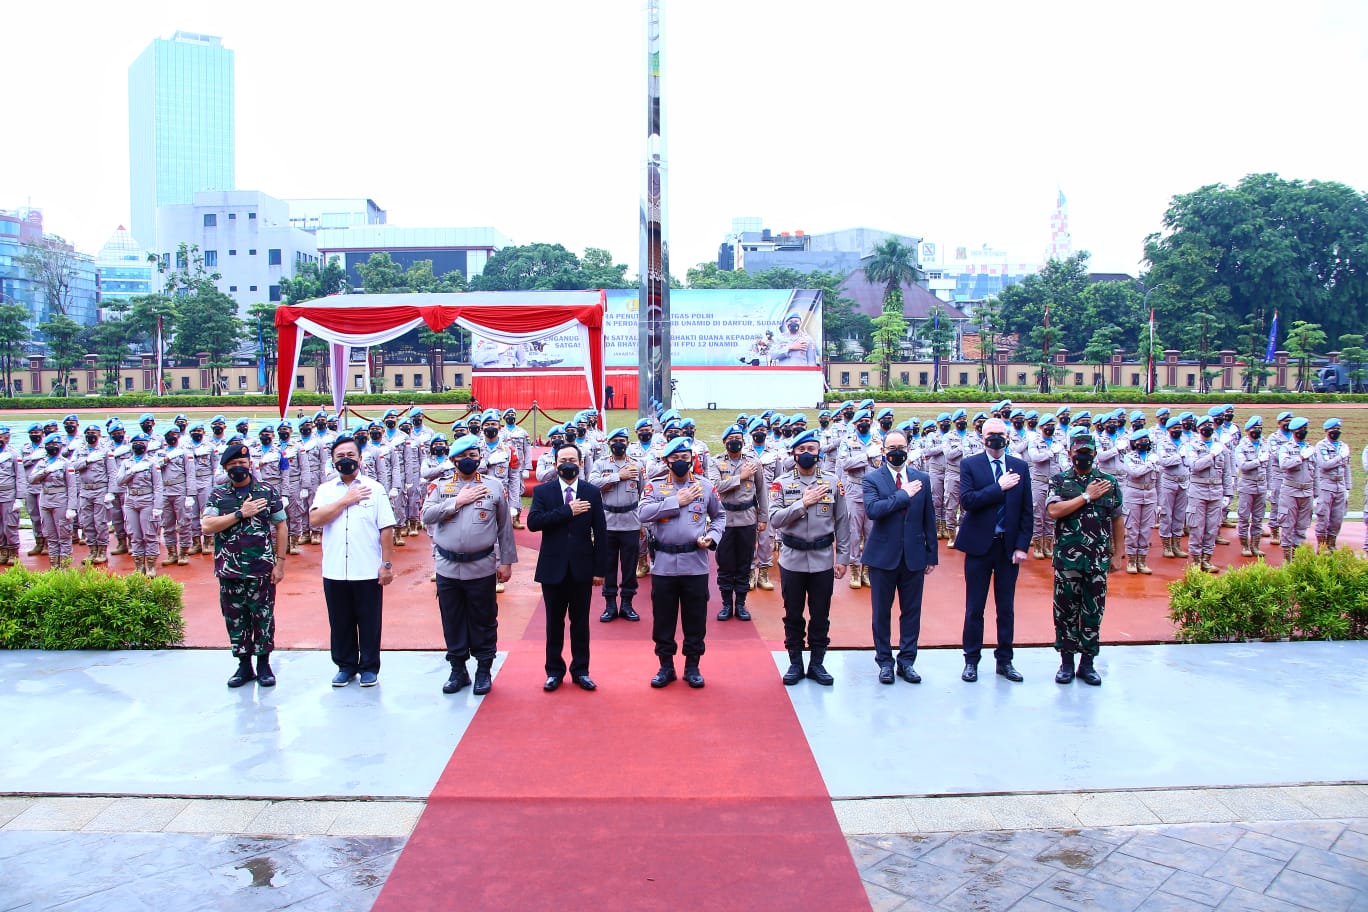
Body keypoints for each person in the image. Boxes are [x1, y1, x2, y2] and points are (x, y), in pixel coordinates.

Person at [424, 434, 516, 696]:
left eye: (473, 456)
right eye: (462, 457)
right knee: (452, 619)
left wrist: (506, 561)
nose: (468, 460)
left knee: (484, 619)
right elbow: (426, 516)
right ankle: (458, 669)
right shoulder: (439, 487)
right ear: (453, 460)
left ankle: (483, 669)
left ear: (480, 458)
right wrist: (457, 502)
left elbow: (504, 528)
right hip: (448, 567)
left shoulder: (494, 486)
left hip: (482, 566)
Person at [309, 436, 397, 688]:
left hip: (367, 568)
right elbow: (315, 520)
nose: (345, 460)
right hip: (335, 569)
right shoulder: (325, 491)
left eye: (350, 455)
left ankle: (369, 667)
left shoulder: (375, 488)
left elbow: (386, 528)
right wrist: (345, 500)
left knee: (369, 621)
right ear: (333, 461)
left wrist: (387, 564)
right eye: (340, 456)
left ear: (360, 458)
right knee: (340, 621)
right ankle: (345, 666)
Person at [639, 436, 726, 689]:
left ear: (692, 460)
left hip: (695, 563)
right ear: (666, 461)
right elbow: (643, 514)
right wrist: (678, 501)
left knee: (695, 617)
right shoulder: (654, 487)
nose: (680, 462)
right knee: (663, 618)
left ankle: (692, 665)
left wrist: (712, 537)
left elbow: (720, 516)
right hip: (664, 564)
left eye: (685, 458)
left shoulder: (706, 486)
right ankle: (665, 666)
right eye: (675, 459)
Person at [200, 442, 288, 688]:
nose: (239, 468)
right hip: (230, 570)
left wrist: (280, 563)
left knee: (263, 616)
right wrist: (240, 513)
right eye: (233, 465)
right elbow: (207, 526)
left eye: (242, 463)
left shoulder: (266, 491)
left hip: (261, 568)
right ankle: (243, 665)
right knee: (235, 617)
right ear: (226, 468)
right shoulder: (218, 494)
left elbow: (281, 526)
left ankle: (263, 664)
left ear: (250, 464)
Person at [768, 429, 850, 685]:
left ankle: (817, 663)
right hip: (792, 558)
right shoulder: (781, 483)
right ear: (793, 453)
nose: (806, 454)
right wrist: (801, 504)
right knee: (793, 613)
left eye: (811, 450)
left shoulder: (832, 481)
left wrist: (843, 557)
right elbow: (774, 519)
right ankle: (795, 663)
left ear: (819, 453)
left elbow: (842, 521)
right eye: (801, 450)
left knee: (820, 614)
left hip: (823, 558)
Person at [526, 442, 609, 692]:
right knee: (554, 623)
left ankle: (581, 670)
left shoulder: (591, 492)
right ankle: (554, 671)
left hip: (582, 569)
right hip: (552, 569)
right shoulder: (544, 492)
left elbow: (601, 533)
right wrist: (567, 511)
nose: (568, 464)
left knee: (580, 623)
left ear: (581, 463)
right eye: (563, 460)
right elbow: (533, 523)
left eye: (572, 459)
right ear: (555, 464)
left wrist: (599, 570)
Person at [953, 418, 1031, 683]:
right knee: (975, 607)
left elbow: (1026, 511)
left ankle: (1005, 661)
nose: (995, 438)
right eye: (990, 434)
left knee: (1005, 608)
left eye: (1000, 434)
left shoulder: (1019, 466)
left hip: (1008, 549)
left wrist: (1022, 545)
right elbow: (967, 502)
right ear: (982, 437)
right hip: (979, 547)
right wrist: (998, 487)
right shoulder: (970, 464)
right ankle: (971, 660)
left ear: (1007, 437)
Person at [1045, 427, 1124, 686]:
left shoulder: (1109, 483)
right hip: (1068, 559)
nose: (1083, 457)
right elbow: (1054, 511)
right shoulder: (1060, 481)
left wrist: (1118, 553)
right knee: (1065, 610)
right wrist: (1087, 496)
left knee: (1093, 612)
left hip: (1097, 558)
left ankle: (1087, 663)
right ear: (1070, 453)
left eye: (1088, 452)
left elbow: (1117, 518)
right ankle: (1066, 662)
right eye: (1079, 452)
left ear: (1095, 454)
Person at [862, 429, 938, 685]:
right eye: (891, 447)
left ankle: (907, 662)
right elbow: (874, 510)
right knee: (881, 613)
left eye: (901, 447)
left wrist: (932, 555)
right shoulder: (872, 479)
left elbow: (929, 518)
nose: (897, 452)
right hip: (883, 556)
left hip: (914, 556)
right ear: (883, 452)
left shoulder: (923, 478)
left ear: (908, 448)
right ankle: (885, 661)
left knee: (911, 612)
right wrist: (903, 495)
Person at [708, 423, 768, 622]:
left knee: (744, 563)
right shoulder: (715, 462)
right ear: (725, 442)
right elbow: (715, 487)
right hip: (724, 520)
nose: (735, 442)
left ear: (743, 441)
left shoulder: (753, 462)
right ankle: (726, 603)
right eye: (731, 439)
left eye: (738, 438)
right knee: (724, 563)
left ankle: (740, 603)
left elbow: (762, 492)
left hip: (747, 519)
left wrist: (763, 518)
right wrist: (740, 477)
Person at [590, 427, 645, 623]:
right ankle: (610, 605)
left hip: (630, 521)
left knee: (629, 566)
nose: (619, 444)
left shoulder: (637, 465)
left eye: (622, 440)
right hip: (607, 521)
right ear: (609, 444)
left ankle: (627, 604)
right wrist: (617, 477)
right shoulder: (600, 463)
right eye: (615, 441)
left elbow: (642, 492)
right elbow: (592, 485)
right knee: (608, 565)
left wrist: (642, 521)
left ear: (628, 443)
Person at [29, 432, 78, 569]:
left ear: (60, 446)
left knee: (64, 536)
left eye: (55, 445)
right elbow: (32, 480)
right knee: (51, 536)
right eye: (49, 445)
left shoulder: (66, 464)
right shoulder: (42, 463)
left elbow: (72, 486)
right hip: (45, 500)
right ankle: (54, 567)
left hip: (61, 500)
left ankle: (65, 567)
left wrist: (71, 507)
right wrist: (46, 471)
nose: (52, 447)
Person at [1120, 428, 1160, 574]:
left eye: (1146, 440)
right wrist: (1149, 464)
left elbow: (1159, 480)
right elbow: (1134, 473)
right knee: (1132, 528)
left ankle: (1142, 560)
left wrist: (1160, 502)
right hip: (1133, 494)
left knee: (1146, 528)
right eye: (1140, 441)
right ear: (1134, 443)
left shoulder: (1154, 456)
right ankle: (1131, 561)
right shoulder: (1129, 457)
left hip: (1150, 494)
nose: (1144, 443)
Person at [1278, 417, 1314, 561]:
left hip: (1307, 492)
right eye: (1300, 429)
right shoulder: (1286, 448)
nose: (1303, 432)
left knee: (1302, 526)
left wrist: (1316, 494)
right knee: (1287, 526)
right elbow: (1284, 464)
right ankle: (1287, 560)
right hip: (1291, 492)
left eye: (1305, 429)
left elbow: (1315, 473)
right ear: (1293, 431)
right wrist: (1300, 458)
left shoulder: (1310, 448)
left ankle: (1297, 557)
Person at [1314, 418, 1351, 552]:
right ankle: (1321, 545)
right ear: (1326, 431)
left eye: (1338, 429)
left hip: (1340, 484)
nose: (1335, 432)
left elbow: (1347, 468)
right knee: (1323, 517)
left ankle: (1331, 543)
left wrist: (1348, 487)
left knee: (1337, 518)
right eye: (1333, 430)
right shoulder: (1321, 446)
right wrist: (1340, 457)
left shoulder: (1343, 446)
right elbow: (1325, 465)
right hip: (1326, 484)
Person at [0, 426, 25, 565]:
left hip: (9, 494)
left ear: (7, 437)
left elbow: (20, 477)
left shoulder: (14, 453)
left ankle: (13, 552)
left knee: (9, 525)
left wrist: (19, 497)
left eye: (1, 436)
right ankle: (2, 551)